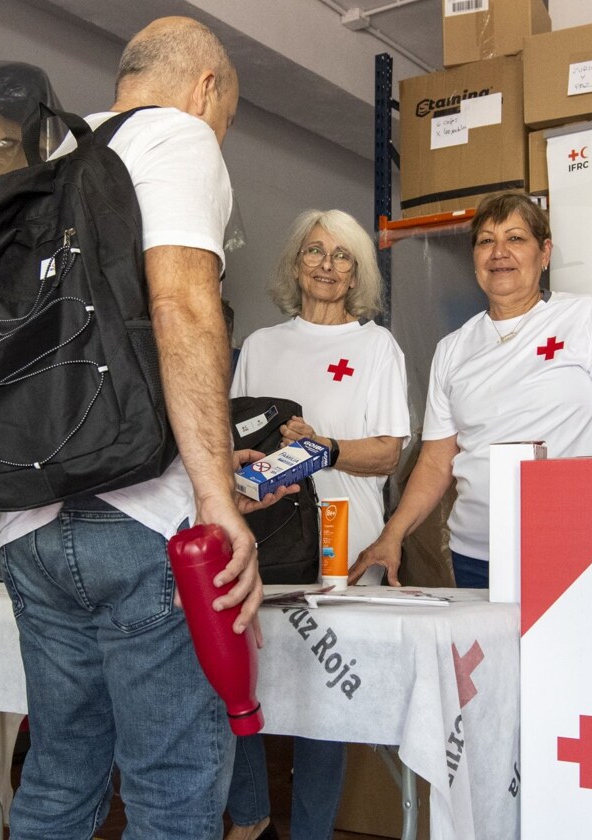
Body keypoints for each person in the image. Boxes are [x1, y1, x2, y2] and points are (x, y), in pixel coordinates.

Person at [0, 18, 288, 840]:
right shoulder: (181, 138)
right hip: (139, 517)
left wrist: (216, 452)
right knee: (172, 788)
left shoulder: (50, 161)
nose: (220, 134)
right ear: (207, 88)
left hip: (23, 523)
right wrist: (216, 494)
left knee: (57, 776)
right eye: (225, 116)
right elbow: (181, 308)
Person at [349, 190, 592, 590]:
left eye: (515, 238)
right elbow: (435, 462)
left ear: (544, 253)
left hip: (572, 545)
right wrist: (391, 536)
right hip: (476, 555)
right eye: (486, 241)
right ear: (474, 258)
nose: (500, 252)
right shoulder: (453, 349)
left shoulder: (585, 318)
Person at [225, 209, 411, 840]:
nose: (327, 265)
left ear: (357, 272)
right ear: (295, 264)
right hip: (264, 542)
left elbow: (388, 452)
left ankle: (310, 834)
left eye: (342, 255)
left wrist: (324, 446)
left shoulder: (374, 346)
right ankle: (250, 819)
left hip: (344, 543)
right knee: (238, 683)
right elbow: (235, 446)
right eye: (315, 251)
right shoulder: (259, 346)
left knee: (323, 705)